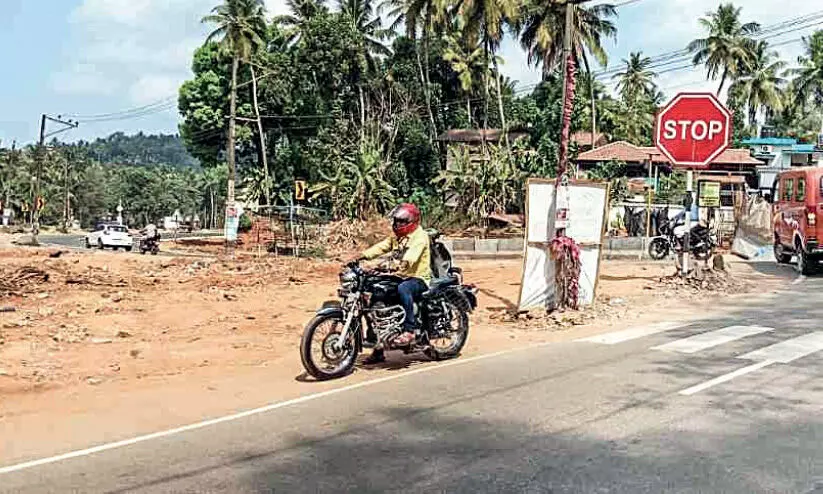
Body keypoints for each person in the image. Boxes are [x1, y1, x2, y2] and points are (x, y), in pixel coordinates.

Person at [356, 203, 431, 364]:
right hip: (399, 276)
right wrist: (361, 256)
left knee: (404, 289)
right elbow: (382, 247)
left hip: (418, 278)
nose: (397, 224)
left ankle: (409, 330)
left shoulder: (420, 237)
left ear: (412, 221)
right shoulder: (397, 238)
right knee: (376, 292)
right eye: (396, 221)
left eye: (401, 221)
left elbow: (410, 258)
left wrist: (391, 265)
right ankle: (378, 347)